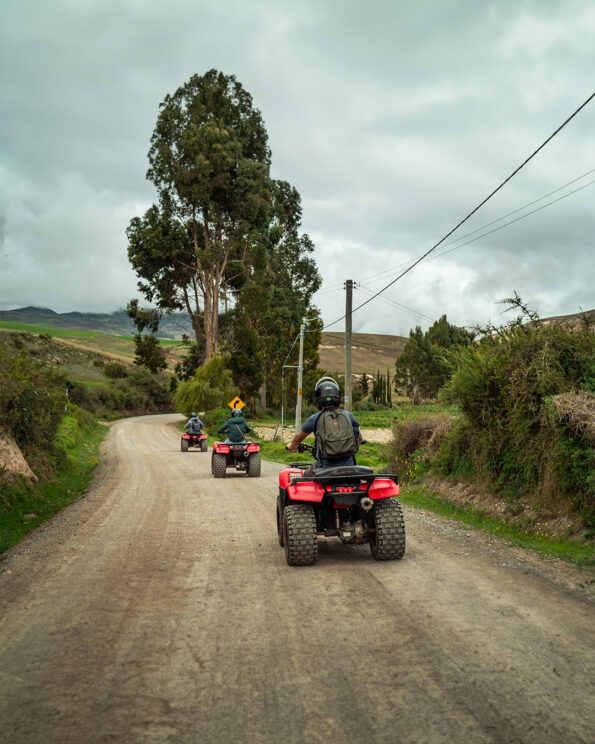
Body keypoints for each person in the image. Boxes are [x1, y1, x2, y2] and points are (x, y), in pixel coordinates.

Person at [286, 376, 363, 468]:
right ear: (337, 397)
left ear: (318, 399)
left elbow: (298, 437)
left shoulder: (315, 418)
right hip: (350, 467)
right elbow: (359, 437)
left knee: (304, 474)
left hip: (325, 469)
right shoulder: (348, 415)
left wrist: (292, 445)